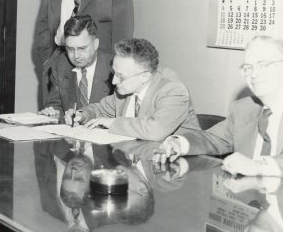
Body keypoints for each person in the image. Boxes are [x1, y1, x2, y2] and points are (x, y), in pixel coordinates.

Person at [155, 36, 283, 177]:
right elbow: (213, 138)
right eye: (248, 67)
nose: (254, 74)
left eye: (264, 65)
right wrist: (179, 143)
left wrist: (260, 166)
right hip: (250, 196)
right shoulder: (244, 108)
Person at [71, 38, 200, 141]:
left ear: (145, 77)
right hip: (138, 159)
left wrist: (114, 123)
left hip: (180, 165)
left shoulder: (173, 91)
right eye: (114, 73)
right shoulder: (126, 90)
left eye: (120, 76)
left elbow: (155, 131)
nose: (114, 81)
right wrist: (82, 115)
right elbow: (100, 109)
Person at [39, 15, 112, 119]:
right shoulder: (60, 65)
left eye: (82, 48)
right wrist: (52, 113)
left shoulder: (113, 68)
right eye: (70, 49)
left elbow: (120, 112)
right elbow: (56, 104)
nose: (76, 56)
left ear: (96, 44)